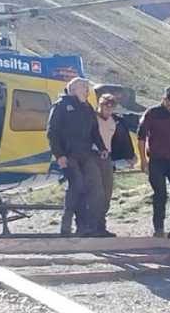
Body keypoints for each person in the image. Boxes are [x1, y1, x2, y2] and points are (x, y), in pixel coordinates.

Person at [47, 77, 109, 237]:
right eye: (84, 87)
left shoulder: (87, 107)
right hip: (69, 155)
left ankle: (91, 227)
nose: (87, 90)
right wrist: (59, 155)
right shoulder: (61, 106)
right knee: (76, 187)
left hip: (86, 154)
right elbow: (51, 132)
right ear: (74, 89)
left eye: (88, 87)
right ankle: (66, 226)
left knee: (96, 188)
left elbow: (95, 131)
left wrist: (102, 148)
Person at [138, 86, 170, 244]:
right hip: (157, 160)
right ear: (164, 99)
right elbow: (141, 137)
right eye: (169, 104)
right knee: (160, 194)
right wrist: (143, 160)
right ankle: (159, 229)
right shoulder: (152, 113)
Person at [93, 93, 136, 237]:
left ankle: (100, 226)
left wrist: (129, 155)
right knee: (94, 192)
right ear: (99, 105)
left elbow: (122, 138)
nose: (108, 110)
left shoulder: (116, 121)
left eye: (111, 108)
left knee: (107, 192)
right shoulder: (91, 119)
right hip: (91, 157)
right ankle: (89, 225)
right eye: (105, 107)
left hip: (107, 158)